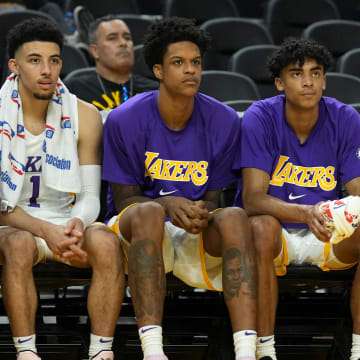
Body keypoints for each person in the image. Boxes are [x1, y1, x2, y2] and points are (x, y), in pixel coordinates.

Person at [103, 17, 257, 360]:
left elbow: (214, 197)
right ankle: (153, 349)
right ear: (158, 70)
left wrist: (201, 212)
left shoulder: (225, 120)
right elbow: (125, 198)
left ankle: (246, 349)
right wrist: (168, 203)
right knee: (147, 211)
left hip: (192, 228)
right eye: (178, 63)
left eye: (196, 63)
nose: (191, 71)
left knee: (232, 216)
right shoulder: (123, 119)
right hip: (137, 228)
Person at [0, 18, 125, 360]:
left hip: (65, 222)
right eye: (34, 60)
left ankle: (102, 352)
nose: (47, 70)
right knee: (19, 243)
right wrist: (47, 231)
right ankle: (26, 352)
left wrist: (77, 226)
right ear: (15, 66)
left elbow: (89, 196)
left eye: (54, 60)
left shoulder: (83, 115)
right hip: (12, 225)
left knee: (107, 242)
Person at [236, 37, 360, 360]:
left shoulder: (346, 119)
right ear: (279, 82)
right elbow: (252, 199)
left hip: (327, 232)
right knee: (259, 227)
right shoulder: (259, 117)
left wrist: (345, 213)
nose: (308, 82)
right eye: (296, 74)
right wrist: (305, 212)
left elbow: (358, 189)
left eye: (315, 73)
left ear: (324, 80)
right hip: (277, 236)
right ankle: (265, 351)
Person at [65, 14, 158, 112]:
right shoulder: (74, 91)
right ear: (95, 51)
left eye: (127, 38)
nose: (123, 43)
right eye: (112, 38)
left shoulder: (154, 90)